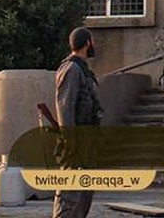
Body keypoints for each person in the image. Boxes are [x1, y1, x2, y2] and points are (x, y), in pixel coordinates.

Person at [52, 26, 103, 218]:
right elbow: (65, 106)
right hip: (76, 144)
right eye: (93, 41)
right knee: (69, 196)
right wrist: (71, 141)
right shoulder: (71, 69)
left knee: (84, 196)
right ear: (87, 43)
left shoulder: (83, 70)